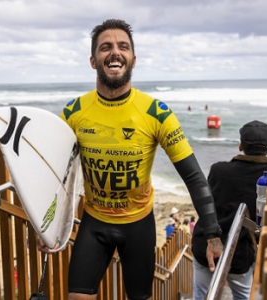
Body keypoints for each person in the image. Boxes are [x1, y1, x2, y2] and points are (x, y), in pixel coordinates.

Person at [37, 19, 223, 300]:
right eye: (105, 47)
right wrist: (44, 225)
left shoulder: (156, 113)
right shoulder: (74, 112)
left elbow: (194, 177)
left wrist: (213, 233)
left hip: (138, 225)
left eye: (123, 47)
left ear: (133, 60)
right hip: (94, 222)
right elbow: (54, 175)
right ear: (92, 60)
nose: (115, 52)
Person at [191, 120, 267, 300]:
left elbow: (208, 201)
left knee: (201, 295)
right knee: (243, 296)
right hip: (240, 253)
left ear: (240, 146)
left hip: (205, 245)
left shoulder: (218, 170)